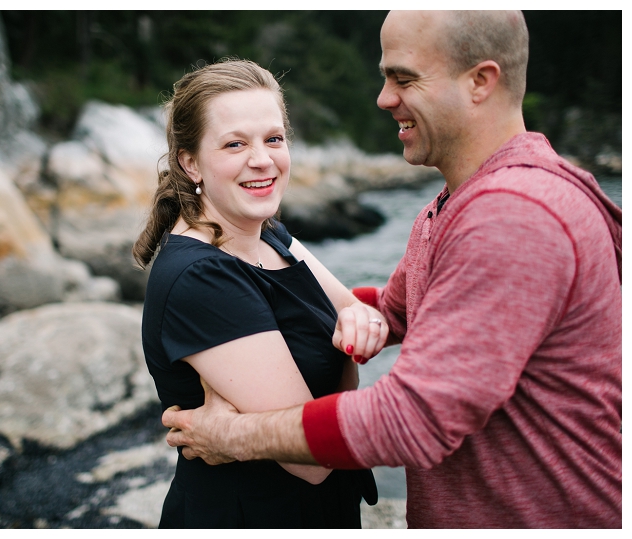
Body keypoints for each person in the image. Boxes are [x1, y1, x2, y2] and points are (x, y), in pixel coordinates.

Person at [162, 11, 622, 528]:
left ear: (480, 82)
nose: (383, 98)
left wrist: (233, 435)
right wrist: (344, 315)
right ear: (190, 162)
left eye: (403, 79)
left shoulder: (513, 215)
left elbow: (412, 419)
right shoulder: (459, 201)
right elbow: (399, 306)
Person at [133, 58, 387, 528]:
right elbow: (311, 460)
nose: (262, 159)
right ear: (190, 163)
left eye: (274, 138)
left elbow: (360, 314)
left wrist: (354, 329)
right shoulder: (202, 278)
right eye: (235, 144)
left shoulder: (271, 235)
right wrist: (350, 342)